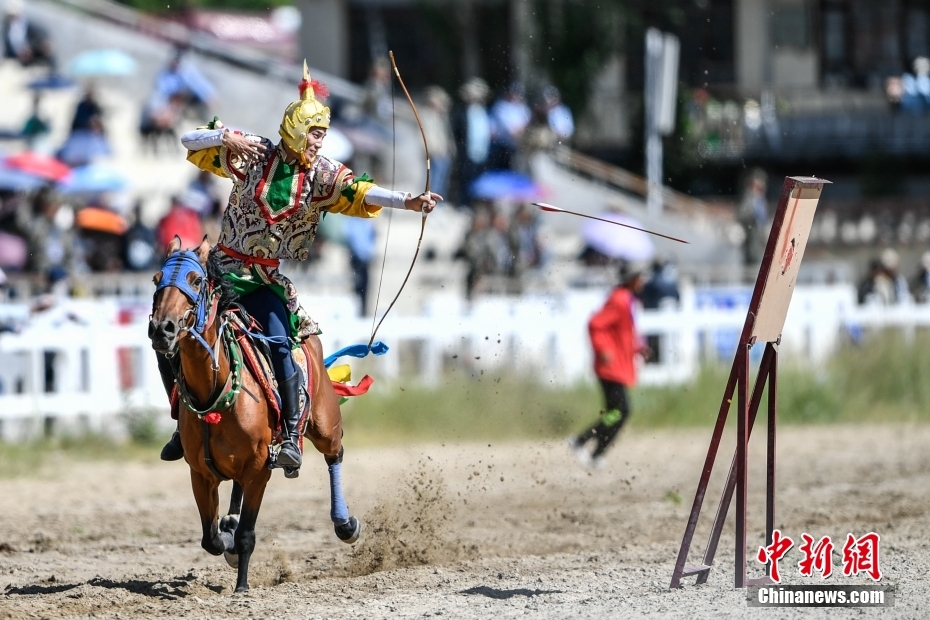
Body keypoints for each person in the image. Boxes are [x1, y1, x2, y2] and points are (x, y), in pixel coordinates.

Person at [160, 62, 441, 475]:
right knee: (167, 330)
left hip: (261, 282)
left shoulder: (323, 176)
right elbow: (189, 140)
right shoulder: (252, 152)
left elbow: (362, 191)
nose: (319, 141)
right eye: (315, 133)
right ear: (295, 130)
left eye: (323, 134)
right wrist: (223, 137)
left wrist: (409, 201)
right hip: (218, 272)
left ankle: (290, 436)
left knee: (279, 341)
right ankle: (180, 425)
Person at [568, 262, 649, 468]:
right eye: (639, 278)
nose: (642, 282)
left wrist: (638, 348)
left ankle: (593, 451)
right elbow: (595, 324)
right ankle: (583, 442)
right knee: (621, 411)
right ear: (631, 279)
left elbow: (623, 333)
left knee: (616, 412)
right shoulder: (619, 299)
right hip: (610, 367)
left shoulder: (627, 300)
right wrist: (603, 349)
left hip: (618, 365)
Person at [452, 77, 491, 205]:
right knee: (465, 178)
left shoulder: (483, 110)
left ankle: (475, 204)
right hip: (467, 152)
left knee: (478, 180)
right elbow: (458, 132)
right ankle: (464, 203)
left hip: (481, 152)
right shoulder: (461, 111)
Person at [419, 86, 455, 200]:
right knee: (433, 177)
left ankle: (440, 198)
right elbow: (424, 135)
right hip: (433, 151)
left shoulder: (442, 117)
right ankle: (430, 198)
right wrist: (428, 150)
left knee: (442, 177)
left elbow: (446, 135)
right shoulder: (426, 115)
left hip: (443, 151)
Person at [2, 0, 55, 69]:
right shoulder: (6, 27)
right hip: (14, 60)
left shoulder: (31, 26)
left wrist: (30, 49)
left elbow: (43, 39)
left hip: (33, 60)